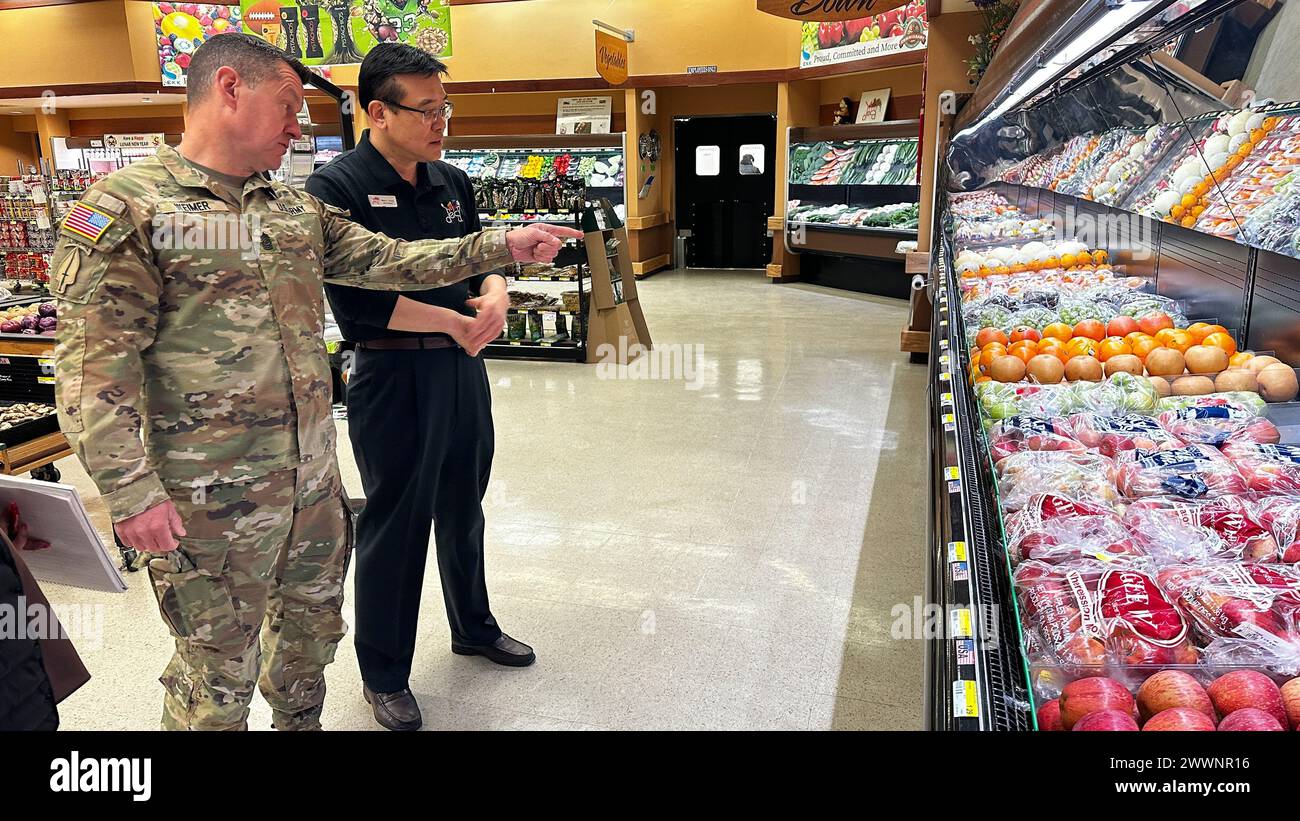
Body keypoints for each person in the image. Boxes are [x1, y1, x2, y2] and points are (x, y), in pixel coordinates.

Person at [50, 32, 580, 731]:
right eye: (288, 105)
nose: (300, 126)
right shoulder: (131, 209)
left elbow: (391, 259)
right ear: (230, 87)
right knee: (216, 676)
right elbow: (93, 366)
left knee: (307, 652)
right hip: (210, 502)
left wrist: (502, 247)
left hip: (310, 490)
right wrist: (130, 491)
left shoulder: (291, 210)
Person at [306, 44, 533, 733]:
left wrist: (494, 295)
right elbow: (359, 305)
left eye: (446, 108)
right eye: (427, 109)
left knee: (464, 505)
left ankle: (474, 624)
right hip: (393, 374)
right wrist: (456, 321)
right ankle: (384, 673)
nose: (442, 122)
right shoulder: (335, 189)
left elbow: (482, 253)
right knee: (396, 522)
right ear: (377, 111)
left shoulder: (451, 179)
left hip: (462, 370)